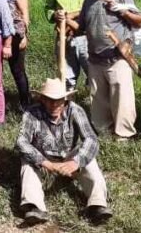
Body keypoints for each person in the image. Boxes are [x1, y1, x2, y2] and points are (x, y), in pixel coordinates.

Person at [16, 78, 112, 225]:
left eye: (58, 100)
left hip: (69, 158)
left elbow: (91, 139)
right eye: (49, 100)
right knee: (27, 164)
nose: (54, 104)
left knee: (89, 160)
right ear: (42, 99)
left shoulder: (76, 110)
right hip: (44, 160)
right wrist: (46, 163)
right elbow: (21, 142)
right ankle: (35, 207)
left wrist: (76, 162)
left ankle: (98, 204)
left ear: (65, 99)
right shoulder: (31, 113)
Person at [72, 0, 141, 139]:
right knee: (98, 98)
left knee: (122, 97)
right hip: (95, 58)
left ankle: (123, 134)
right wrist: (64, 20)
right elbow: (81, 27)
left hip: (117, 56)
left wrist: (123, 11)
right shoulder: (89, 0)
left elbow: (140, 20)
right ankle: (103, 131)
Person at [44, 0, 92, 91]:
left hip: (86, 37)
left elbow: (95, 7)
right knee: (65, 77)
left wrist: (72, 15)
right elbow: (48, 8)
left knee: (94, 75)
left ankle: (95, 108)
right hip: (64, 37)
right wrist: (55, 15)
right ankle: (66, 106)